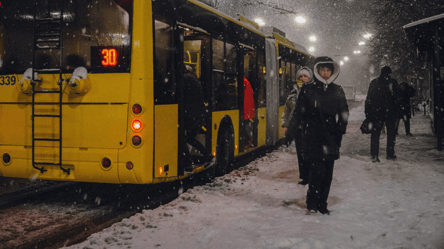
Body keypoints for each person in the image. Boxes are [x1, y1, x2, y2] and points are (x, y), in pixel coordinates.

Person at [287, 57, 349, 215]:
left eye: (328, 70)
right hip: (313, 137)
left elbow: (343, 113)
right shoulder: (308, 90)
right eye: (323, 70)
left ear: (332, 72)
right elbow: (298, 114)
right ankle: (312, 202)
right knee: (316, 172)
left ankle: (323, 203)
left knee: (328, 174)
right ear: (317, 71)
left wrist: (339, 132)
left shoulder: (337, 90)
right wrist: (290, 132)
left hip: (331, 137)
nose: (325, 73)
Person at [281, 67, 313, 185]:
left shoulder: (314, 91)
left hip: (310, 128)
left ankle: (312, 176)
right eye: (301, 76)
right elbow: (287, 111)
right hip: (297, 128)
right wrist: (285, 125)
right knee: (301, 153)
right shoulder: (293, 93)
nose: (303, 78)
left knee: (310, 153)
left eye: (305, 76)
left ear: (310, 78)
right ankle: (304, 177)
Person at [365, 66, 400, 163]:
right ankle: (390, 153)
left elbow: (369, 98)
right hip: (390, 112)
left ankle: (374, 154)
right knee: (391, 134)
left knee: (375, 134)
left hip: (377, 112)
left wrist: (368, 112)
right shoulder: (393, 82)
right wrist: (397, 112)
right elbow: (397, 98)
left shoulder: (374, 82)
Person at [181, 65, 211, 171]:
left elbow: (182, 97)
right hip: (199, 114)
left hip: (190, 114)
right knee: (189, 137)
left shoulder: (183, 79)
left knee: (181, 138)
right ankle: (208, 156)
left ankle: (187, 163)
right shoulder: (193, 78)